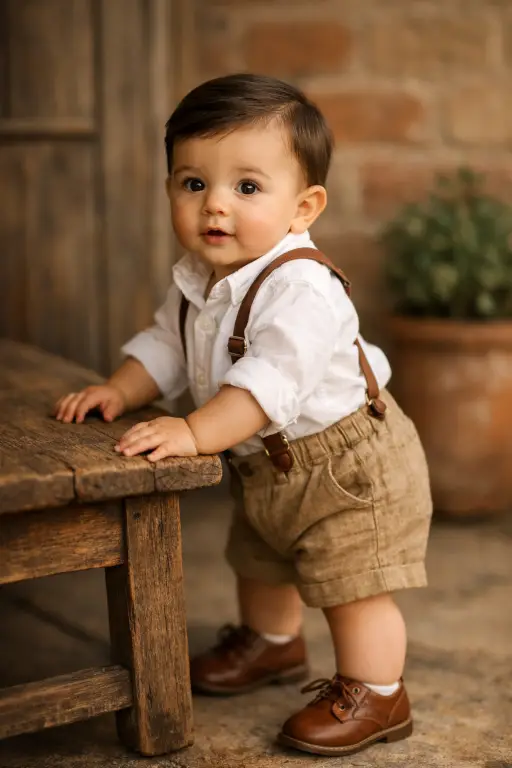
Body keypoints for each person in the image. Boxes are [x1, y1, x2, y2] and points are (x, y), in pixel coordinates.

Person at [54, 73, 432, 758]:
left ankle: (378, 692)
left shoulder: (305, 288)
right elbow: (168, 348)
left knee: (352, 582)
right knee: (260, 557)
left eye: (247, 188)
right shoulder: (197, 279)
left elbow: (267, 384)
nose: (214, 207)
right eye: (192, 183)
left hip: (350, 467)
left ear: (303, 207)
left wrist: (193, 431)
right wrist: (123, 387)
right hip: (268, 463)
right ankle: (272, 644)